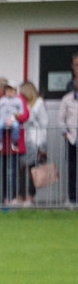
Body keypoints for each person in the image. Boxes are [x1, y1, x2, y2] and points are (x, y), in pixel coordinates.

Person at [0, 77, 29, 206]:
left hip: (12, 146)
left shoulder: (19, 99)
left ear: (3, 89)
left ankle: (10, 198)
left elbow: (24, 115)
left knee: (11, 172)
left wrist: (15, 118)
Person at [18, 81, 47, 206]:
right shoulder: (21, 104)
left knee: (32, 170)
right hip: (22, 140)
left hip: (35, 141)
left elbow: (44, 124)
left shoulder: (38, 103)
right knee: (21, 170)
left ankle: (30, 197)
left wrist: (42, 146)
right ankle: (20, 196)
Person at [57, 71, 78, 206]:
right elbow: (60, 118)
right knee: (72, 170)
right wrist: (65, 133)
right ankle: (72, 199)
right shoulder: (67, 98)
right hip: (73, 139)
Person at [0, 81, 25, 152]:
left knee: (16, 126)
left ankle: (14, 142)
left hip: (13, 119)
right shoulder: (2, 100)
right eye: (7, 90)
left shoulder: (18, 100)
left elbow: (21, 111)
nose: (9, 92)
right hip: (2, 119)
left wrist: (12, 118)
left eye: (11, 90)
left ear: (15, 91)